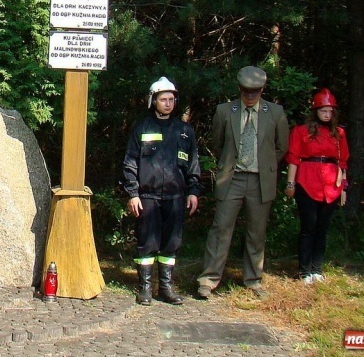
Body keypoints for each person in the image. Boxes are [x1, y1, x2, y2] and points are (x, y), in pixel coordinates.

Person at [197, 66, 289, 299]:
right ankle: (208, 280)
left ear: (262, 89)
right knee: (220, 229)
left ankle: (253, 280)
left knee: (257, 232)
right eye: (246, 91)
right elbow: (217, 143)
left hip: (260, 181)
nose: (250, 96)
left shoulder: (275, 113)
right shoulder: (225, 111)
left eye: (255, 92)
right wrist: (229, 164)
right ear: (239, 89)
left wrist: (265, 165)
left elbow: (281, 147)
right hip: (233, 178)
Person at [121, 77, 201, 305]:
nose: (168, 103)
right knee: (147, 242)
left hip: (175, 197)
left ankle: (166, 287)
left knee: (171, 244)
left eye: (171, 99)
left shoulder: (184, 131)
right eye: (163, 99)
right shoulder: (142, 128)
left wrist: (193, 191)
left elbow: (193, 163)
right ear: (153, 100)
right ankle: (145, 288)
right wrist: (133, 194)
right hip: (147, 197)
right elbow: (130, 163)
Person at [284, 88, 349, 283]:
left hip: (331, 184)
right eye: (323, 111)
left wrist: (344, 188)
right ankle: (304, 271)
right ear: (316, 111)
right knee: (308, 226)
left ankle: (317, 269)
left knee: (323, 228)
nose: (327, 115)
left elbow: (343, 162)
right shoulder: (301, 131)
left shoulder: (339, 133)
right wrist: (290, 183)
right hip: (307, 181)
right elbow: (294, 158)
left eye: (330, 111)